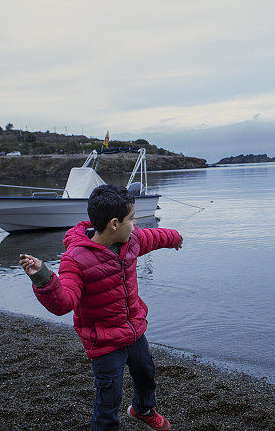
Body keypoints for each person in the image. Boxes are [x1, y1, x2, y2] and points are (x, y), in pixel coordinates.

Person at [19, 184, 183, 431]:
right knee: (109, 398)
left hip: (134, 330)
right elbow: (64, 302)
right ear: (114, 224)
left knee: (146, 375)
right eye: (132, 219)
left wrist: (176, 238)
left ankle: (142, 410)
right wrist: (43, 278)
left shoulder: (132, 240)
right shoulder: (76, 258)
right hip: (103, 341)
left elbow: (155, 237)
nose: (135, 224)